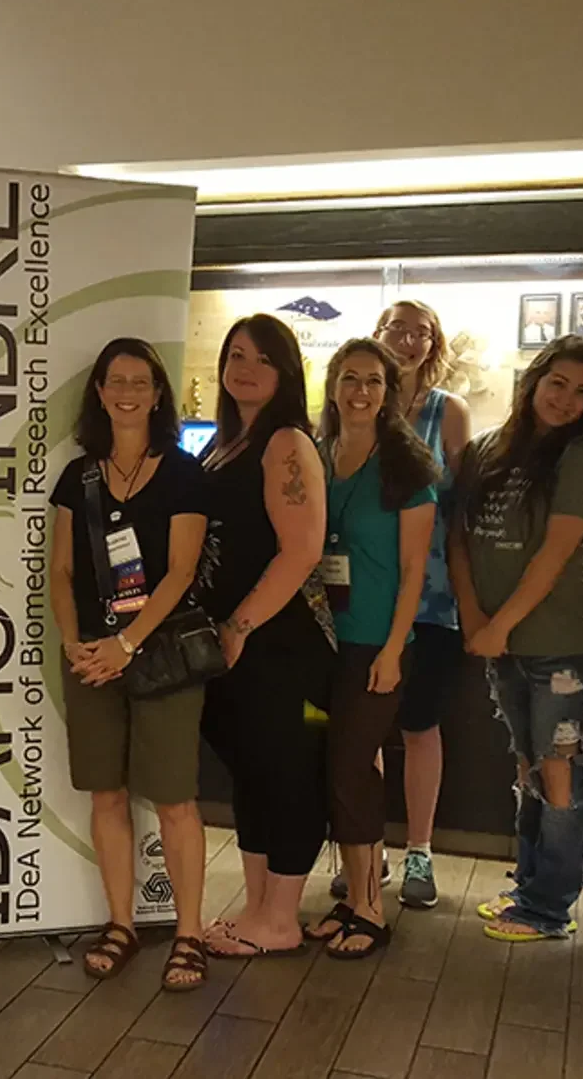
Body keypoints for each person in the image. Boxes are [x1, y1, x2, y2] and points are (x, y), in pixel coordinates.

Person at [49, 337, 210, 991]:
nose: (127, 391)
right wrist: (73, 642)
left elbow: (179, 573)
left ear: (157, 392)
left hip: (160, 652)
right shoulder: (77, 476)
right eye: (116, 380)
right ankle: (121, 924)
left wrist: (127, 643)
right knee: (106, 793)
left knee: (173, 798)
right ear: (99, 391)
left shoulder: (181, 473)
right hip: (90, 654)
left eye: (140, 381)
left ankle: (189, 934)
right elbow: (59, 571)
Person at [450, 335, 583, 942]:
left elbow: (558, 550)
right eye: (558, 384)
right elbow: (460, 539)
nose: (567, 400)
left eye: (582, 392)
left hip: (563, 644)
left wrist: (498, 624)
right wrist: (474, 616)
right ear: (534, 380)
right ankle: (529, 887)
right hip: (504, 645)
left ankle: (550, 907)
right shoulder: (489, 447)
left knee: (560, 768)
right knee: (528, 765)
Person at [196, 314, 336, 959]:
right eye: (235, 355)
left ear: (285, 374)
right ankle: (257, 911)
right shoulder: (225, 442)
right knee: (251, 775)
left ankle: (280, 918)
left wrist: (241, 624)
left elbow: (301, 549)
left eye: (262, 359)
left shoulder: (285, 442)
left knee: (287, 776)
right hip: (231, 648)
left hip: (278, 646)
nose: (245, 368)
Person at [330, 301, 471, 910]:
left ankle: (417, 851)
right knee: (360, 745)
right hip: (349, 615)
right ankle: (369, 859)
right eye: (398, 329)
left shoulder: (446, 417)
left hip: (426, 607)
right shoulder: (326, 442)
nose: (409, 340)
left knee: (415, 727)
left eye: (423, 333)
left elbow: (456, 513)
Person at [307, 338, 437, 959]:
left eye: (375, 382)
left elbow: (415, 571)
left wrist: (392, 650)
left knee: (352, 771)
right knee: (336, 771)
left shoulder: (405, 469)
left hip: (377, 645)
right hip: (323, 640)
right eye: (350, 378)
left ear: (389, 394)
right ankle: (351, 897)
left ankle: (371, 910)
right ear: (333, 384)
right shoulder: (317, 454)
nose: (361, 391)